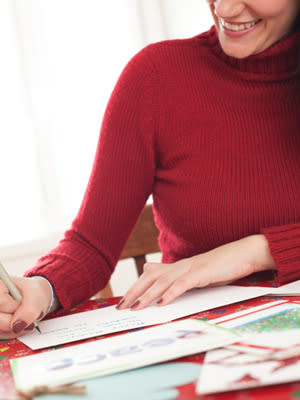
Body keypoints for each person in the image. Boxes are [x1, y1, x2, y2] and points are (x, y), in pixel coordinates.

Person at [1, 0, 300, 338]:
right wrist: (41, 289)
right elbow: (92, 244)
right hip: (196, 349)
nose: (226, 9)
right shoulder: (157, 77)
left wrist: (255, 252)